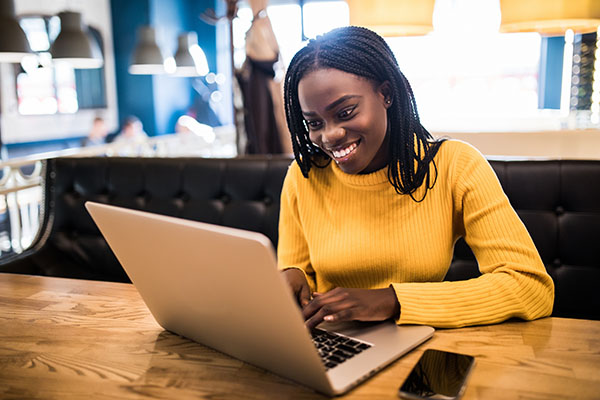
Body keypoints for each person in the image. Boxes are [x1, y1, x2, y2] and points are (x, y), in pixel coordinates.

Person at [278, 26, 554, 329]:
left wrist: (392, 300)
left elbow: (529, 286)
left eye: (345, 112)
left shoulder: (454, 166)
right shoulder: (304, 177)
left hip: (423, 347)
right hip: (334, 345)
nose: (329, 136)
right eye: (314, 122)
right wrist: (291, 277)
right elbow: (298, 277)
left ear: (386, 94)